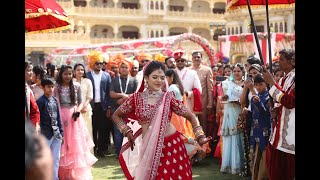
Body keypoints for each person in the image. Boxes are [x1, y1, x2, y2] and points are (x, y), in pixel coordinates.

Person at [112, 61, 212, 180]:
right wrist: (127, 131)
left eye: (161, 78)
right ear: (146, 78)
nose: (159, 81)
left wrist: (199, 136)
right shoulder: (136, 98)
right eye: (155, 77)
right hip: (148, 148)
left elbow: (191, 116)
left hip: (172, 146)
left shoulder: (168, 97)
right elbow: (116, 115)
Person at [53, 65, 97, 179]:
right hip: (61, 117)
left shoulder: (76, 86)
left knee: (76, 146)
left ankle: (75, 175)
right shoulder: (57, 87)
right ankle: (63, 174)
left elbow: (80, 102)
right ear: (61, 75)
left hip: (75, 119)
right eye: (65, 74)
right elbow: (55, 102)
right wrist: (59, 117)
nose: (67, 76)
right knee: (64, 145)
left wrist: (77, 111)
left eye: (69, 74)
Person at [262, 48, 295, 180]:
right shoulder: (283, 79)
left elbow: (291, 101)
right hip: (279, 134)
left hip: (290, 136)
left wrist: (272, 83)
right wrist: (275, 108)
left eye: (281, 59)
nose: (278, 63)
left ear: (292, 61)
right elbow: (281, 101)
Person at [110, 57, 138, 158]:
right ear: (119, 69)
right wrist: (123, 96)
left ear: (129, 68)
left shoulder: (134, 81)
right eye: (122, 67)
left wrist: (125, 100)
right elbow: (112, 94)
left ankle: (129, 152)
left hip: (129, 111)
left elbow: (136, 95)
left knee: (130, 131)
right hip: (116, 111)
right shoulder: (114, 80)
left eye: (126, 67)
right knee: (118, 133)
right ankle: (119, 153)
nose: (124, 69)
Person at [86, 50, 113, 157]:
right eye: (97, 63)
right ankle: (93, 148)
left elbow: (109, 92)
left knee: (103, 129)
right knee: (92, 128)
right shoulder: (87, 75)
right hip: (91, 105)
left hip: (103, 106)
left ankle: (101, 150)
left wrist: (109, 107)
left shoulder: (106, 76)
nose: (99, 65)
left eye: (101, 63)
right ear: (92, 64)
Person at [220, 63, 245, 175]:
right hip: (230, 111)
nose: (236, 73)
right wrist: (224, 98)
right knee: (230, 137)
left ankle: (241, 165)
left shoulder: (246, 84)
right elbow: (225, 97)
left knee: (240, 137)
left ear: (243, 72)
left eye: (238, 71)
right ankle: (230, 165)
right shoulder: (227, 84)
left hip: (240, 111)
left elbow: (246, 100)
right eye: (234, 71)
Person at [36, 78, 64, 180]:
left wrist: (61, 133)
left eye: (52, 86)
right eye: (48, 87)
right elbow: (38, 120)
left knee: (56, 159)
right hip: (45, 135)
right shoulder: (40, 101)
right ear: (42, 88)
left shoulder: (55, 100)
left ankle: (55, 177)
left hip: (56, 134)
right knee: (44, 159)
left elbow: (59, 118)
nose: (51, 89)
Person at [245, 74, 272, 180]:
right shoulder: (255, 97)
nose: (258, 87)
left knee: (264, 158)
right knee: (255, 157)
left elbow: (266, 113)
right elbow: (253, 114)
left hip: (265, 131)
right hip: (255, 130)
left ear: (266, 84)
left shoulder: (269, 97)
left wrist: (253, 92)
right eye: (256, 85)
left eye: (261, 84)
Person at [190, 51, 214, 136]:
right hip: (191, 103)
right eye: (195, 57)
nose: (196, 58)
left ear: (201, 58)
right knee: (192, 124)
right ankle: (194, 146)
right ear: (192, 59)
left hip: (203, 103)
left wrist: (210, 103)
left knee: (203, 125)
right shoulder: (189, 70)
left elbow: (210, 88)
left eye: (198, 57)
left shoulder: (207, 70)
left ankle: (205, 146)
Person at [73, 63, 94, 154]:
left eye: (82, 70)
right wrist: (78, 107)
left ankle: (88, 155)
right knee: (77, 133)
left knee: (87, 132)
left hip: (86, 109)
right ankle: (78, 155)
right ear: (74, 72)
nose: (80, 71)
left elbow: (90, 96)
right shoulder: (71, 81)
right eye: (78, 70)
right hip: (74, 110)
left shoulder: (87, 81)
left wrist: (84, 105)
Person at [25, 60, 40, 131]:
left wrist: (34, 125)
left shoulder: (28, 88)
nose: (31, 73)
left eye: (32, 70)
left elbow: (34, 110)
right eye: (29, 70)